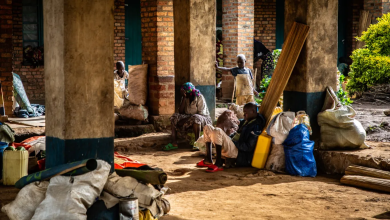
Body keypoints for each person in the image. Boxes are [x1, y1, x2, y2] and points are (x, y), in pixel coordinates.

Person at [197, 102, 266, 172]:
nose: (244, 114)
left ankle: (218, 163)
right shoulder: (246, 122)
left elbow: (248, 147)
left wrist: (233, 142)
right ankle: (208, 159)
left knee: (218, 131)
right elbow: (236, 134)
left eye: (245, 112)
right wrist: (229, 137)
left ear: (252, 111)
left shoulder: (256, 126)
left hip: (239, 154)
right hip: (234, 147)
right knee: (207, 127)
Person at [164, 82, 212, 151]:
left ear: (191, 92)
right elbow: (181, 111)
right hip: (189, 117)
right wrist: (183, 98)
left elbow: (201, 114)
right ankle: (174, 142)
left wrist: (186, 119)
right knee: (175, 116)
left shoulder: (199, 97)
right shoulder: (186, 97)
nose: (185, 94)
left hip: (204, 119)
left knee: (196, 118)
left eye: (186, 93)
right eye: (183, 93)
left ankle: (197, 143)